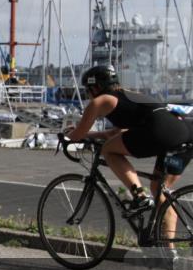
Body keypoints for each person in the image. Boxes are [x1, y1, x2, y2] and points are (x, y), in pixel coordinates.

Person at [66, 66, 192, 230]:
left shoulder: (100, 101)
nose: (88, 95)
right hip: (185, 134)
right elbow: (117, 132)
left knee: (108, 150)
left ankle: (139, 196)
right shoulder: (129, 95)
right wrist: (94, 135)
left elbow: (76, 135)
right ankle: (170, 252)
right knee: (160, 192)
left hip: (160, 133)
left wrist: (65, 135)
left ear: (95, 88)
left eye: (87, 91)